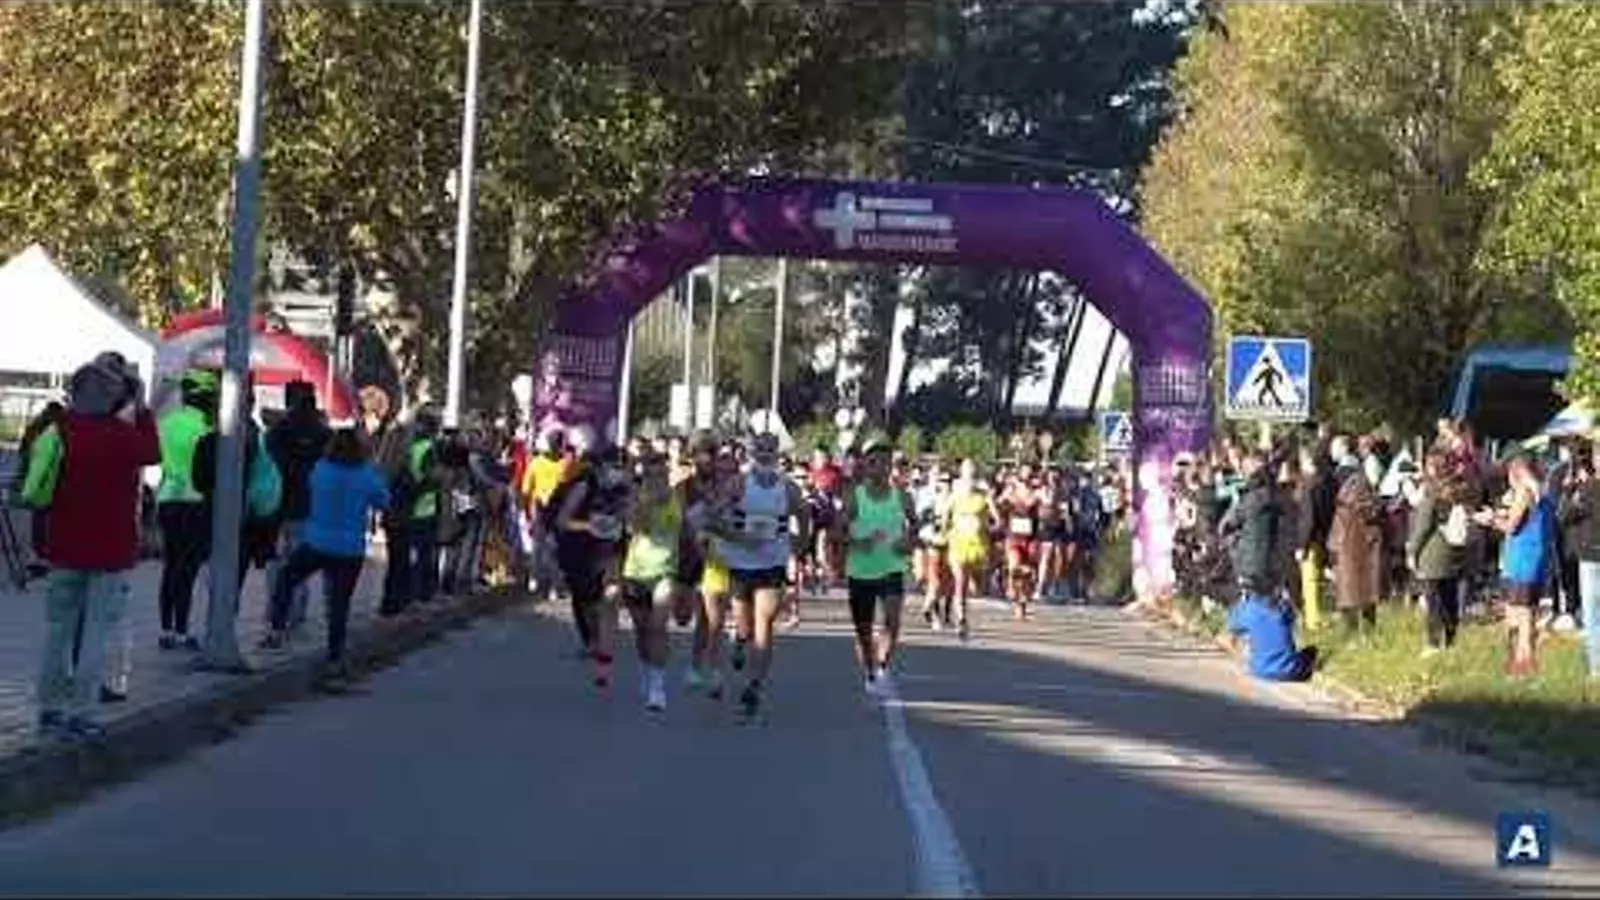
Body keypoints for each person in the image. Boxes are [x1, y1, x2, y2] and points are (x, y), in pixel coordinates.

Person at [22, 355, 159, 741]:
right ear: (110, 397)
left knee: (58, 629)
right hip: (111, 551)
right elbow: (153, 453)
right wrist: (142, 406)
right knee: (96, 631)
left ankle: (50, 708)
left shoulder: (59, 431)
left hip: (64, 546)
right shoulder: (123, 436)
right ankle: (82, 712)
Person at [261, 426, 389, 691]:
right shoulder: (366, 474)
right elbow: (383, 501)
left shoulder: (320, 469)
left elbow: (310, 489)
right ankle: (335, 658)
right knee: (339, 604)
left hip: (316, 542)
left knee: (287, 577)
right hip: (349, 549)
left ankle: (276, 629)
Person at [708, 431, 809, 721]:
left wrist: (799, 547)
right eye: (760, 449)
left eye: (770, 450)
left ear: (777, 454)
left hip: (773, 562)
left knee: (764, 622)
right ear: (753, 453)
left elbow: (804, 515)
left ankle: (754, 687)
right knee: (745, 624)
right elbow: (711, 518)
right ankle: (740, 639)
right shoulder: (739, 483)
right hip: (741, 562)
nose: (765, 454)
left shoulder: (788, 488)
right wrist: (738, 537)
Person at [551, 436, 631, 688]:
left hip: (611, 550)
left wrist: (626, 522)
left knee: (607, 597)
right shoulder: (583, 487)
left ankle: (601, 642)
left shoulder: (626, 488)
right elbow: (562, 520)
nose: (616, 471)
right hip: (581, 550)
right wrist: (590, 525)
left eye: (620, 465)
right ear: (599, 467)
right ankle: (592, 639)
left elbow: (632, 516)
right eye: (611, 465)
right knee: (584, 598)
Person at [840, 439, 916, 693]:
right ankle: (870, 670)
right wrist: (858, 542)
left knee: (892, 622)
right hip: (860, 571)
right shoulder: (855, 497)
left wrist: (908, 542)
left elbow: (915, 525)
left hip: (892, 568)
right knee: (863, 629)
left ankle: (881, 664)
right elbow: (837, 532)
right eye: (874, 462)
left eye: (885, 463)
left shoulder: (902, 497)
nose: (880, 468)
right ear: (866, 465)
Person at [620, 449, 690, 713]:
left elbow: (685, 529)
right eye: (652, 475)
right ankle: (645, 669)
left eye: (662, 474)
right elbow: (634, 527)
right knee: (642, 631)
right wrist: (647, 502)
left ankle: (658, 687)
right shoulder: (636, 496)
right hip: (636, 571)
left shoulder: (677, 496)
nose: (658, 479)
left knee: (658, 626)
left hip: (665, 571)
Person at [154, 369, 218, 650]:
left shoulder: (166, 423)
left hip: (168, 497)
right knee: (187, 569)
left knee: (170, 566)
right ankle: (182, 630)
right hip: (196, 502)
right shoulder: (207, 429)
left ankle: (165, 630)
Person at [1476, 453, 1556, 677]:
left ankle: (1523, 664)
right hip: (1537, 558)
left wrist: (1490, 520)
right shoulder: (1544, 492)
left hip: (1522, 559)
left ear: (1516, 474)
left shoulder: (1524, 492)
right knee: (1527, 611)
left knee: (1520, 614)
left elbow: (1512, 527)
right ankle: (1522, 662)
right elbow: (1527, 520)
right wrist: (1499, 514)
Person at [264, 380, 331, 634]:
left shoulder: (277, 431)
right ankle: (297, 611)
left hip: (277, 505)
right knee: (299, 561)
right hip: (309, 505)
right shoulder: (325, 434)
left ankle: (276, 608)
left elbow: (270, 466)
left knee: (276, 560)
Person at [1406, 452, 1469, 655]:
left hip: (1431, 553)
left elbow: (1423, 527)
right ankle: (1451, 641)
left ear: (1431, 468)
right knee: (1449, 599)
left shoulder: (1431, 493)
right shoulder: (1454, 490)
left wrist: (1412, 551)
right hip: (1451, 551)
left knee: (1433, 601)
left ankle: (1433, 644)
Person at [1328, 435, 1383, 637]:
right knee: (1360, 590)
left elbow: (1366, 511)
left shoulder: (1347, 484)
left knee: (1350, 591)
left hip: (1348, 542)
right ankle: (1364, 633)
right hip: (1358, 543)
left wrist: (1333, 541)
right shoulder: (1362, 483)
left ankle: (1354, 634)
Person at [943, 459, 995, 642]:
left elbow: (997, 520)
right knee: (960, 583)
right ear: (962, 474)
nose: (969, 476)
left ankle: (962, 613)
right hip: (958, 543)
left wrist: (988, 526)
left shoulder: (984, 496)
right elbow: (945, 518)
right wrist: (944, 532)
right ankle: (962, 620)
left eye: (972, 473)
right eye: (966, 472)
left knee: (977, 587)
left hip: (978, 545)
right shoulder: (954, 495)